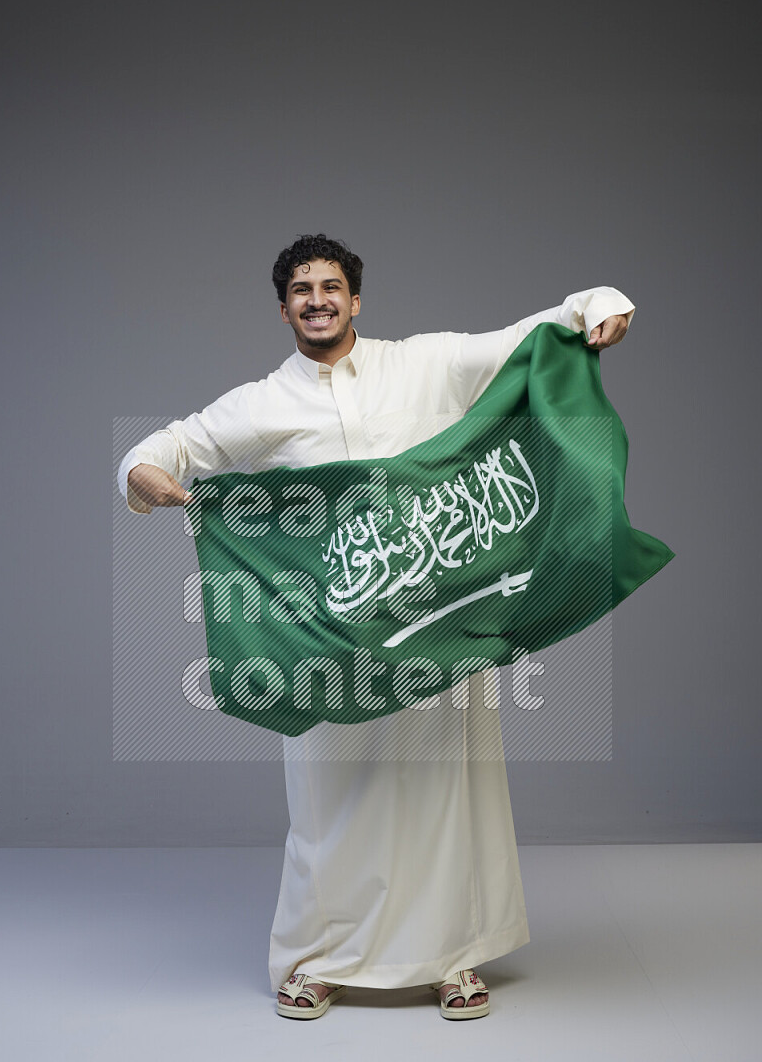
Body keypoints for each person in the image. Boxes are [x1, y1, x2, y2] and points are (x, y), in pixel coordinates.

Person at [118, 234, 633, 1020]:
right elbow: (170, 446)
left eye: (331, 286)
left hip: (437, 619)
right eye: (301, 289)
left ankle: (453, 957)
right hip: (328, 632)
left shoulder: (425, 362)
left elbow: (534, 336)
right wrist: (143, 475)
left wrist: (597, 305)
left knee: (446, 792)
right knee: (328, 799)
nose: (316, 299)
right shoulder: (262, 401)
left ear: (356, 299)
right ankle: (316, 959)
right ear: (284, 306)